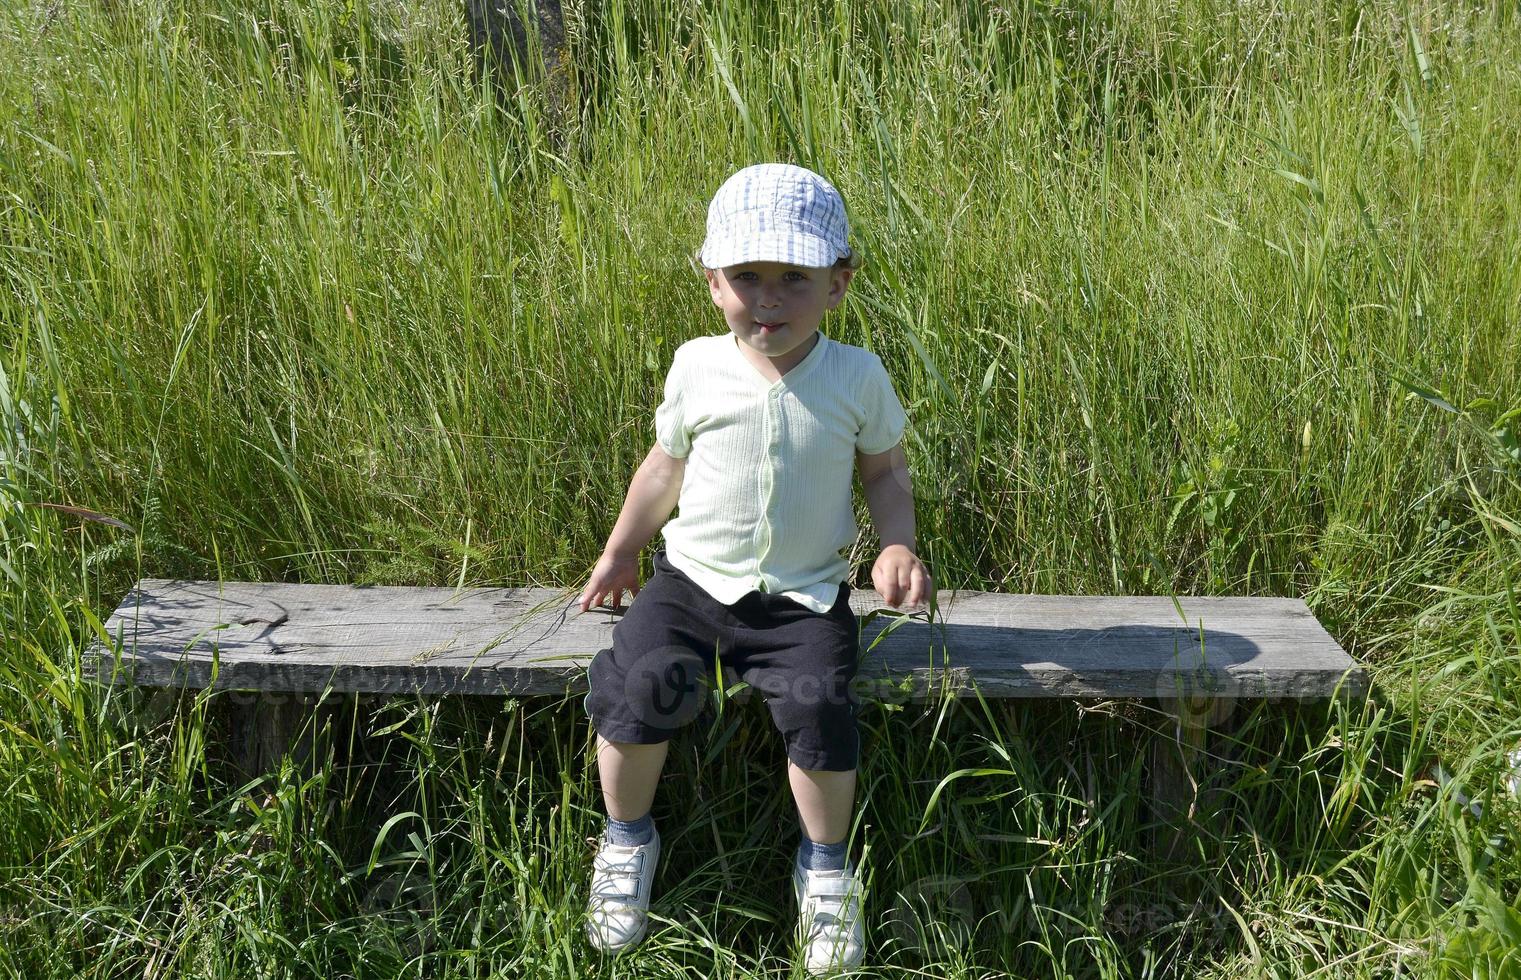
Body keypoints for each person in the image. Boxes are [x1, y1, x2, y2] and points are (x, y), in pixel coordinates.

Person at [576, 163, 932, 974]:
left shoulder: (855, 376)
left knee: (819, 711)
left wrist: (896, 544)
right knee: (644, 686)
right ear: (711, 282)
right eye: (746, 277)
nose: (767, 299)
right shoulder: (696, 366)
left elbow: (884, 472)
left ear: (839, 284)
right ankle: (627, 840)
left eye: (793, 279)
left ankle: (826, 871)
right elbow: (662, 468)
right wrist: (623, 551)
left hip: (803, 597)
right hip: (689, 584)